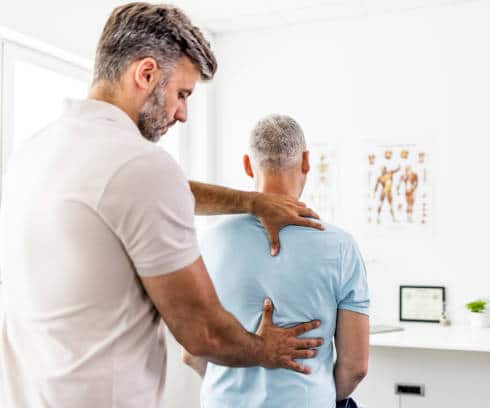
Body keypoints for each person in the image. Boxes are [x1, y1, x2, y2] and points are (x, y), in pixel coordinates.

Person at [0, 4, 324, 408]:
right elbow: (204, 334)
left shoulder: (34, 152)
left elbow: (145, 195)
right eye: (182, 94)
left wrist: (252, 202)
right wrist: (267, 349)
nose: (183, 113)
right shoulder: (142, 167)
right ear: (146, 73)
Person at [182, 114, 370, 407]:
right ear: (306, 162)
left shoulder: (208, 242)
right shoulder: (341, 247)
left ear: (247, 165)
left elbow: (192, 354)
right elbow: (355, 367)